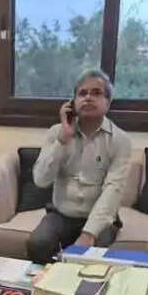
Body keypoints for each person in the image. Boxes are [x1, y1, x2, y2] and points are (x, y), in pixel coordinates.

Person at [27, 69, 132, 263]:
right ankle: (49, 280)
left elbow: (113, 190)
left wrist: (88, 234)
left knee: (90, 257)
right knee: (37, 243)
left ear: (108, 102)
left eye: (96, 93)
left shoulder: (120, 140)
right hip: (61, 214)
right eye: (82, 93)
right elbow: (41, 180)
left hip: (99, 218)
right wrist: (62, 141)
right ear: (72, 103)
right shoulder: (56, 133)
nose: (88, 98)